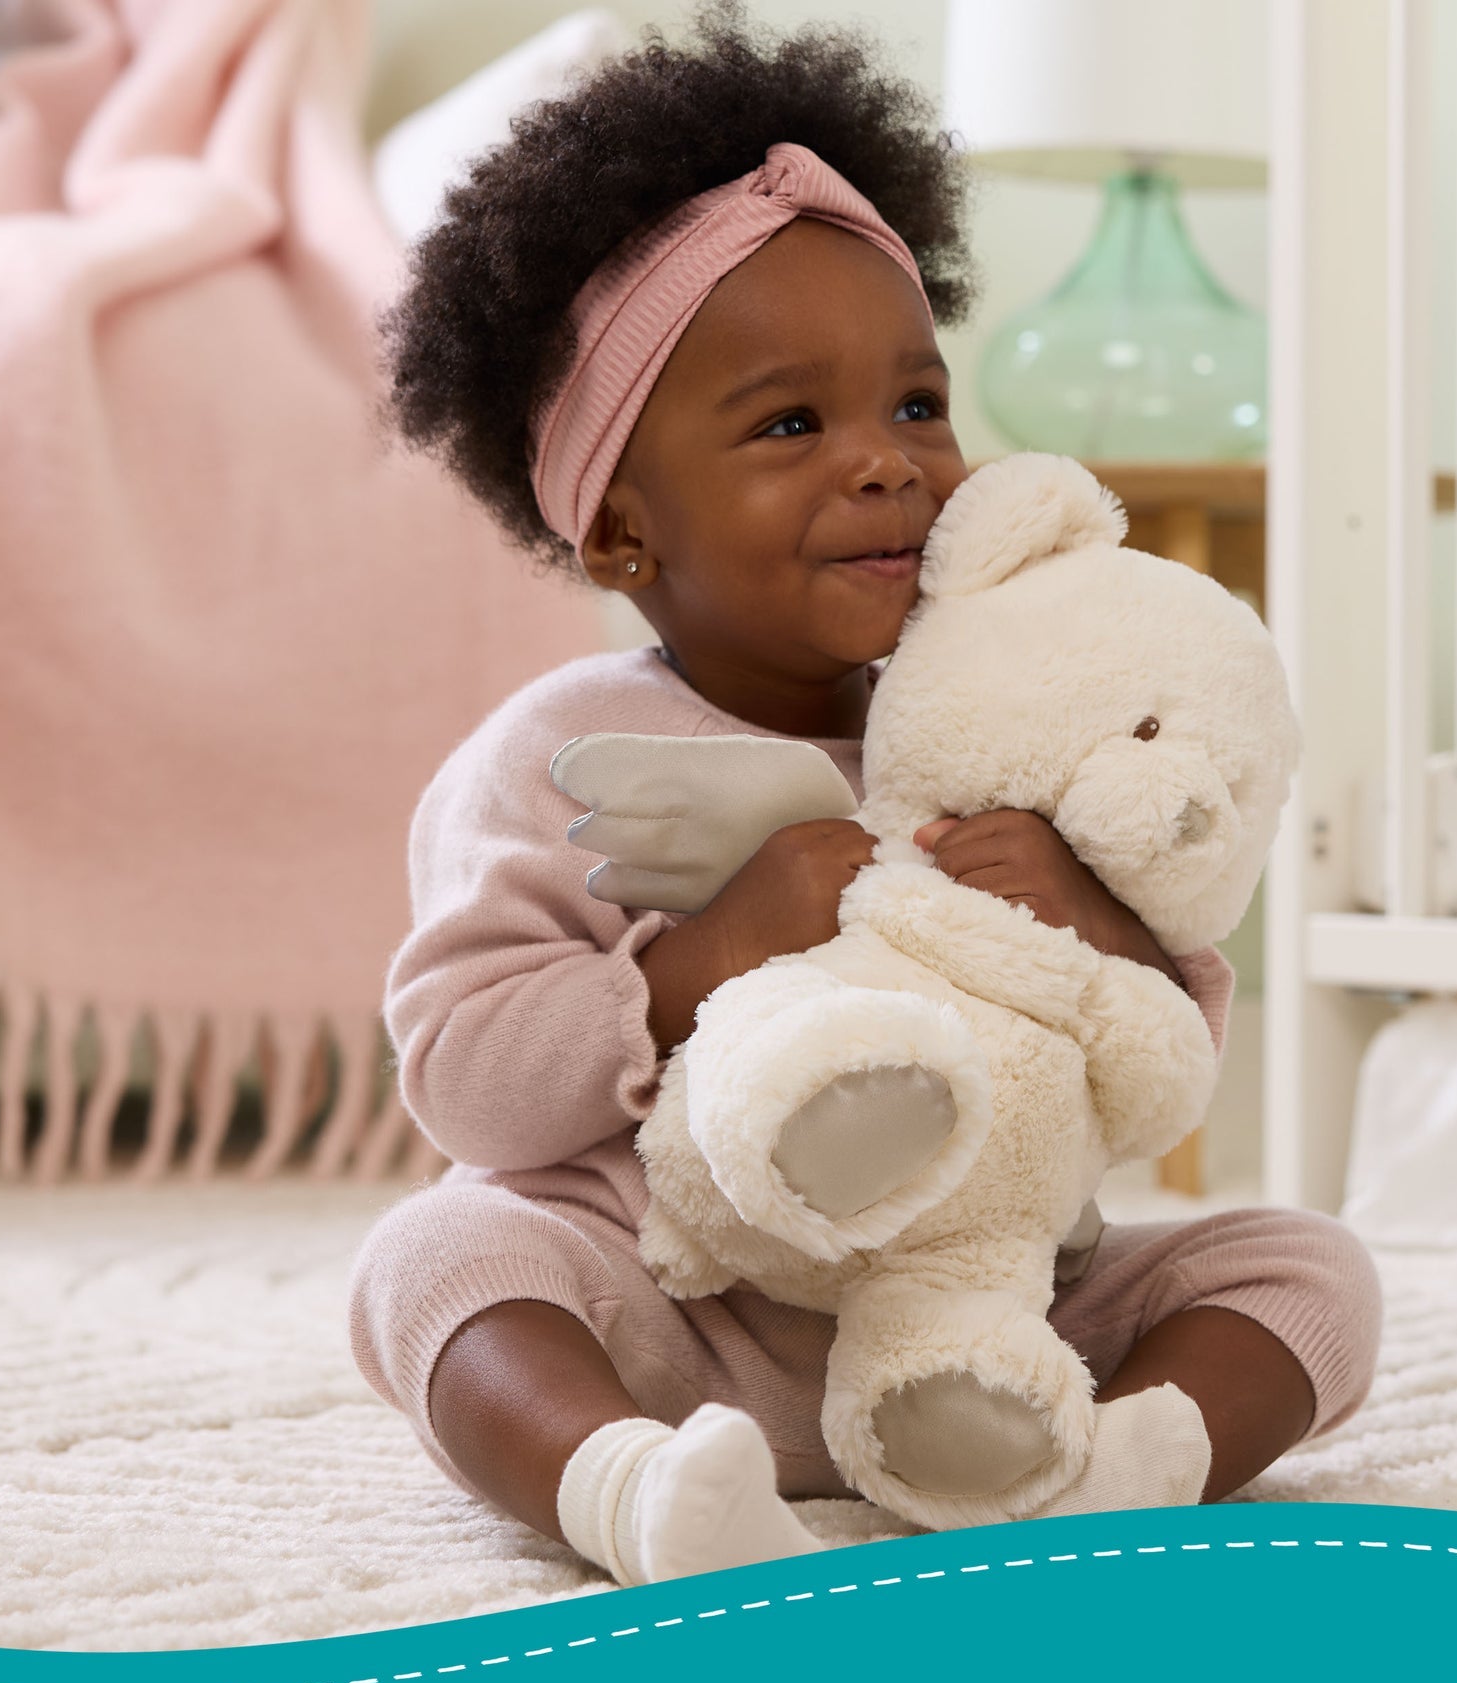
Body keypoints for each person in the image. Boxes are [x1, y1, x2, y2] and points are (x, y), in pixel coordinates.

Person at [351, 6, 1380, 1586]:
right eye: (790, 424)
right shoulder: (551, 750)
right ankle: (626, 1492)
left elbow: (1161, 1064)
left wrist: (1096, 918)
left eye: (917, 405)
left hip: (985, 1310)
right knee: (442, 1257)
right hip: (668, 1308)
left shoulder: (1005, 719)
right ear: (625, 532)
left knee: (1305, 1270)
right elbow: (469, 1084)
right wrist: (702, 958)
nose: (891, 463)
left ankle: (1124, 1464)